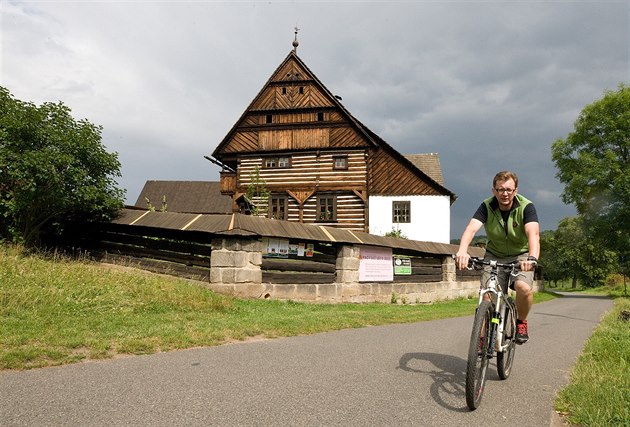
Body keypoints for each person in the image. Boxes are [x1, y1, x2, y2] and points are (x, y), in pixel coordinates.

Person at [456, 171, 540, 344]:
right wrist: (462, 251)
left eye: (509, 189)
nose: (505, 193)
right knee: (487, 296)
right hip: (494, 255)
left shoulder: (526, 207)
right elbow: (471, 229)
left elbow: (534, 234)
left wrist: (531, 258)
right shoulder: (486, 206)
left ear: (515, 190)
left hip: (521, 255)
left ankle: (521, 321)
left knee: (523, 287)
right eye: (500, 189)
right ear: (493, 190)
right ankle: (481, 340)